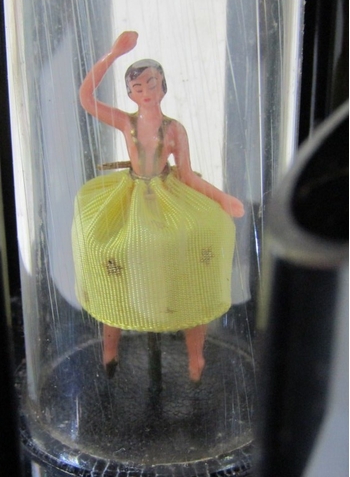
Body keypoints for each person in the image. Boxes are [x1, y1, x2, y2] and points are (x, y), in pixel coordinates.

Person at [72, 31, 244, 382]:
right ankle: (110, 350)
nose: (145, 92)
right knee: (113, 266)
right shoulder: (127, 122)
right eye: (137, 88)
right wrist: (112, 54)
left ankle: (195, 358)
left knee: (193, 265)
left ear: (163, 86)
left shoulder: (173, 129)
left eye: (151, 84)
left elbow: (187, 175)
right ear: (130, 94)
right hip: (130, 196)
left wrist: (221, 198)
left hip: (169, 196)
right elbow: (86, 99)